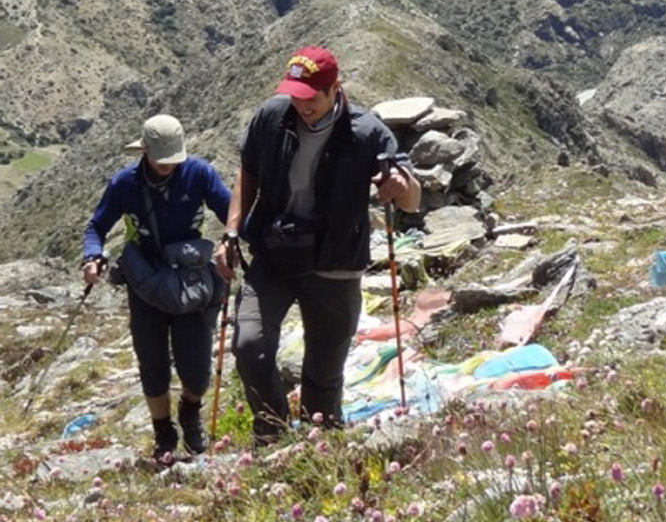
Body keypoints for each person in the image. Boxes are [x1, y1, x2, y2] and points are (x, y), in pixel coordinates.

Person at [218, 46, 420, 445]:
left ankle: (321, 448)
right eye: (295, 95)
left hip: (335, 264)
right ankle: (273, 436)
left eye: (310, 98)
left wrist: (400, 185)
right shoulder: (273, 117)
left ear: (334, 90)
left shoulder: (367, 132)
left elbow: (412, 200)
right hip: (274, 254)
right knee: (249, 345)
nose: (301, 105)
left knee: (324, 376)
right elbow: (249, 171)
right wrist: (231, 231)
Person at [82, 114, 232, 462]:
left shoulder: (199, 174)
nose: (168, 166)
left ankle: (190, 410)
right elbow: (97, 226)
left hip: (190, 280)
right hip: (145, 283)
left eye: (173, 159)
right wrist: (93, 257)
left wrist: (235, 240)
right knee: (153, 363)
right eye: (160, 159)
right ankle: (163, 431)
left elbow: (231, 213)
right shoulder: (125, 184)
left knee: (196, 365)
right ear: (145, 151)